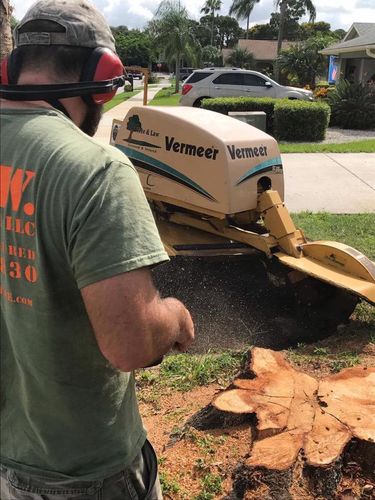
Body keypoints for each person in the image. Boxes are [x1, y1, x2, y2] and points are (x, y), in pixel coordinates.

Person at [0, 0, 195, 498]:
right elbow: (131, 345)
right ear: (103, 77)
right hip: (79, 470)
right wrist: (172, 316)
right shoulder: (94, 170)